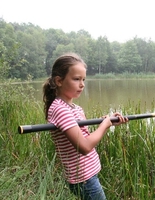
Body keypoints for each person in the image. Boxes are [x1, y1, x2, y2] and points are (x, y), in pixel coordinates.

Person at [42, 53, 128, 200]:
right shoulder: (60, 109)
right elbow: (84, 146)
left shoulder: (75, 108)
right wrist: (104, 126)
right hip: (83, 179)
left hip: (88, 174)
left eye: (83, 79)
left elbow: (84, 136)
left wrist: (107, 123)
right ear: (59, 81)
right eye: (76, 79)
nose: (82, 84)